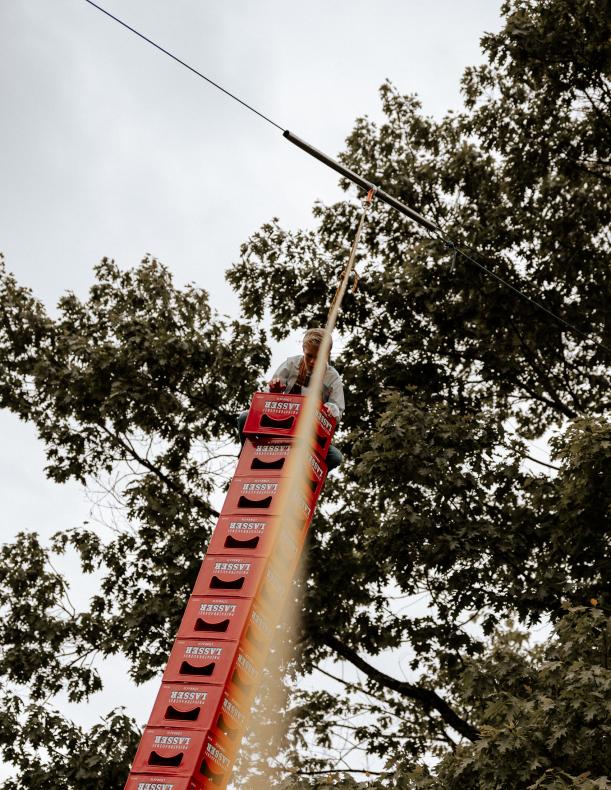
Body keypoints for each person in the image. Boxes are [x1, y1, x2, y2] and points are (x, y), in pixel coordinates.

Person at [238, 328, 344, 471]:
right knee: (245, 417)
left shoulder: (333, 378)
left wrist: (330, 409)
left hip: (307, 436)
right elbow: (266, 398)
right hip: (280, 426)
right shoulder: (291, 365)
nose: (312, 362)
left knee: (335, 457)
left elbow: (337, 411)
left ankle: (303, 482)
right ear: (303, 349)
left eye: (318, 357)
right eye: (309, 356)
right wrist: (275, 392)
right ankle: (248, 457)